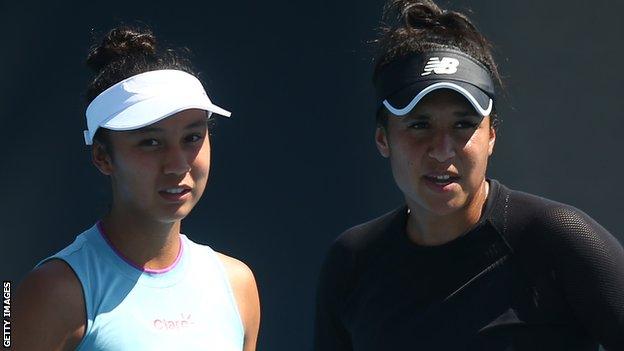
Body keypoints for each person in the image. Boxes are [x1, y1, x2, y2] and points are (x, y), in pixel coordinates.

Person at [313, 1, 624, 350]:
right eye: (419, 125)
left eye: (463, 125)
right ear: (383, 138)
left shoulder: (560, 240)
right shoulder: (351, 263)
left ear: (491, 136)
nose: (443, 150)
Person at [12, 26, 260, 351]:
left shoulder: (237, 285)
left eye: (192, 137)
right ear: (103, 157)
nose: (178, 164)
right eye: (151, 142)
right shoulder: (51, 291)